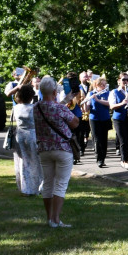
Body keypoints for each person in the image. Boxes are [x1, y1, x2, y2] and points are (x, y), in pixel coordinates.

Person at [34, 75, 80, 227]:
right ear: (54, 92)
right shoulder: (59, 108)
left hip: (44, 149)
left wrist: (65, 100)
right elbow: (75, 123)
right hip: (62, 149)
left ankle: (49, 219)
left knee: (48, 183)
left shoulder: (36, 108)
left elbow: (50, 108)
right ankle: (56, 219)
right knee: (60, 184)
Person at [12, 84, 43, 195]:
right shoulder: (34, 108)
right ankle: (37, 186)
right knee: (36, 161)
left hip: (20, 135)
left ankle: (24, 187)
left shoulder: (15, 108)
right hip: (32, 135)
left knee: (22, 161)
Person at [86, 75, 112, 167]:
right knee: (97, 139)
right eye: (102, 85)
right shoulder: (91, 93)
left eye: (105, 85)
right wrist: (85, 102)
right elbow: (87, 109)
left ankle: (103, 158)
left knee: (104, 139)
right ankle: (99, 159)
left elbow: (110, 104)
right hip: (94, 118)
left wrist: (98, 100)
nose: (104, 87)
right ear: (96, 85)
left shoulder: (107, 93)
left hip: (105, 118)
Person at [110, 72, 128, 169]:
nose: (125, 81)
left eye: (127, 80)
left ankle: (124, 159)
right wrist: (122, 103)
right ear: (119, 81)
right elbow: (112, 106)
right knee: (123, 139)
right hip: (119, 118)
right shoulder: (114, 92)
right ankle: (124, 161)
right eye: (123, 79)